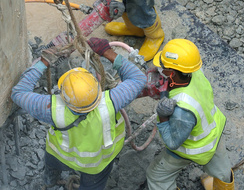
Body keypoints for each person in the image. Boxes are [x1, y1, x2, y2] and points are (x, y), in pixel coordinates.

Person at [11, 37, 147, 189]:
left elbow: (18, 93)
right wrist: (107, 53)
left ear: (63, 95)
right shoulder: (111, 101)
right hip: (97, 164)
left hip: (60, 156)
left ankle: (49, 181)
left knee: (51, 163)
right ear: (96, 88)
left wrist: (44, 62)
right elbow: (138, 78)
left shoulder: (51, 109)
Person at [146, 39, 234, 190]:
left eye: (162, 67)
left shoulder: (182, 110)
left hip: (191, 148)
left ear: (171, 73)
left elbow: (172, 142)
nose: (159, 69)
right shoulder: (195, 72)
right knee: (222, 173)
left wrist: (163, 116)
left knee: (157, 177)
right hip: (214, 133)